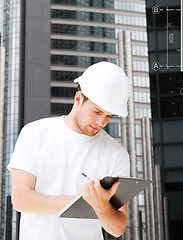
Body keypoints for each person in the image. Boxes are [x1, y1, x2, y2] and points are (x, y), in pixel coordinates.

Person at [7, 61, 131, 240]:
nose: (102, 123)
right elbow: (21, 199)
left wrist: (102, 206)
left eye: (109, 116)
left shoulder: (116, 154)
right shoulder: (35, 133)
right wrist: (79, 200)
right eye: (97, 112)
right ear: (79, 99)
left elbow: (118, 228)